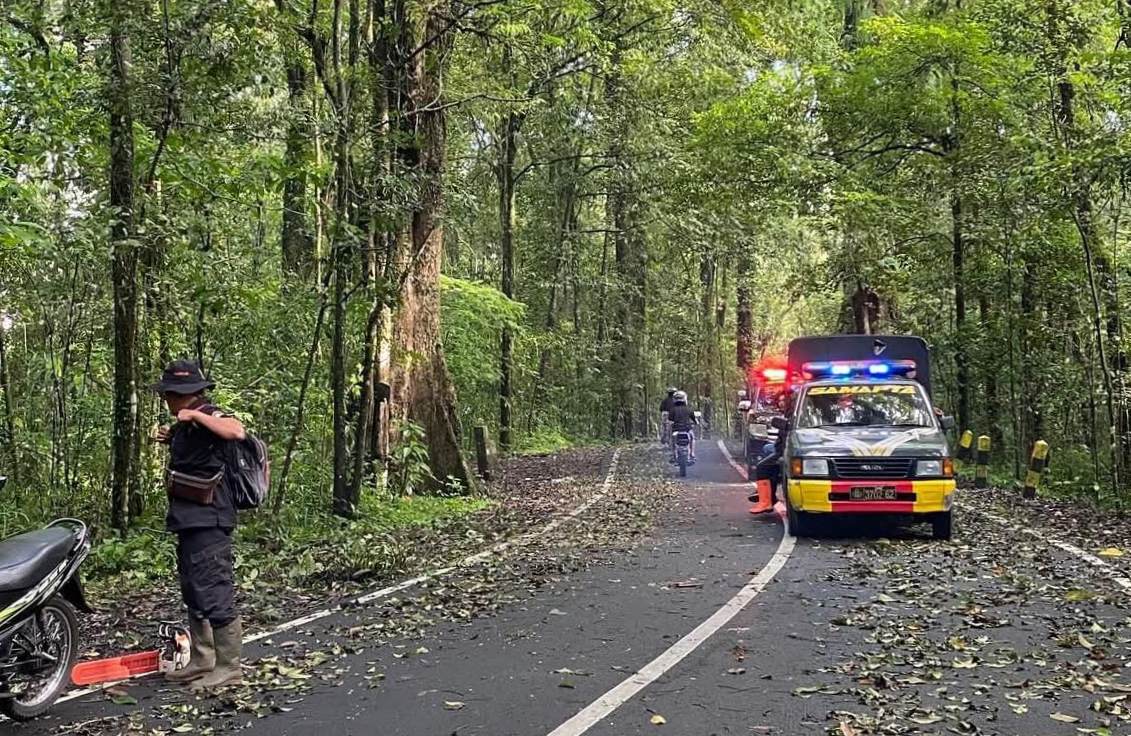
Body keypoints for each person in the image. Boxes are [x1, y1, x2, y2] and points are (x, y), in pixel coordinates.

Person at [152, 359, 246, 691]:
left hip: (210, 519)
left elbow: (236, 430)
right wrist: (172, 436)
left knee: (214, 588)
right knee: (194, 589)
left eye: (169, 394)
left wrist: (195, 416)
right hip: (188, 520)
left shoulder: (210, 413)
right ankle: (202, 659)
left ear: (182, 394)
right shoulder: (186, 424)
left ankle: (229, 667)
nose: (166, 400)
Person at [667, 390, 699, 461]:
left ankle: (674, 455)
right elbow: (695, 421)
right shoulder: (689, 409)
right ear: (685, 399)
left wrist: (669, 429)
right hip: (687, 429)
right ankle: (692, 454)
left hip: (676, 430)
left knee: (672, 440)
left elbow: (670, 422)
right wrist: (696, 423)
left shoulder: (672, 410)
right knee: (692, 438)